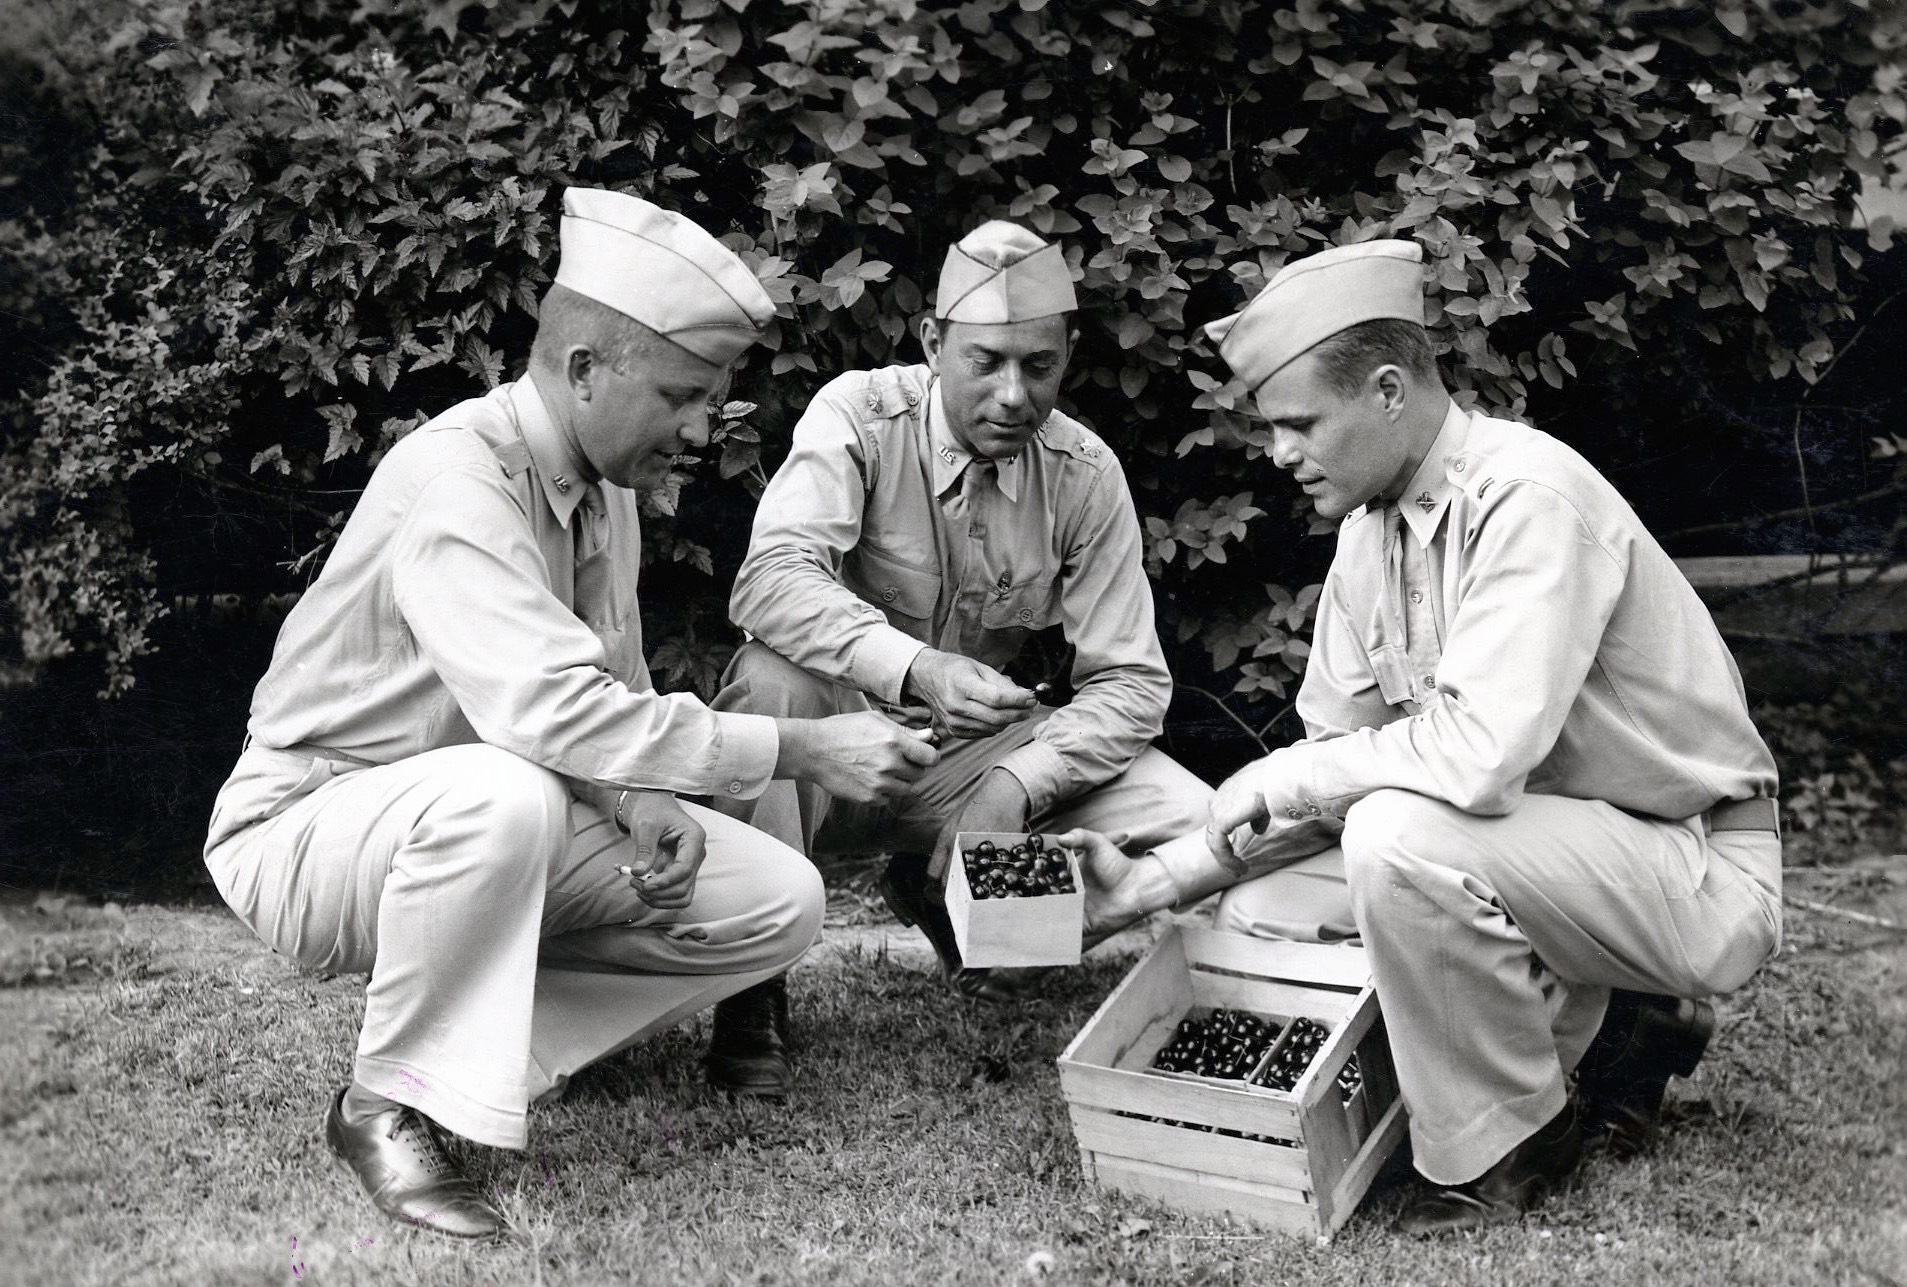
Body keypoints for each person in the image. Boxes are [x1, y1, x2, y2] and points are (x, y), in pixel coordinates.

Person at [201, 188, 937, 1239]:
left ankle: (482, 1055)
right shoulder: (460, 483)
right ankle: (386, 1102)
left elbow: (609, 692)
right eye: (682, 395)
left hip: (492, 815)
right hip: (311, 830)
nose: (700, 427)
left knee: (780, 901)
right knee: (501, 794)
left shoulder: (605, 487)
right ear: (583, 370)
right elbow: (547, 709)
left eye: (707, 399)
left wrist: (638, 798)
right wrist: (805, 745)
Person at [1075, 238, 1782, 1235]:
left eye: (1298, 425)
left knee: (1397, 841)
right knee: (1260, 916)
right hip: (1556, 856)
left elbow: (1474, 759)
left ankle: (1514, 1137)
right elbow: (1330, 787)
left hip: (1689, 860)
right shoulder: (1370, 536)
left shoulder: (1527, 498)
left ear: (1388, 390)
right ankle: (1612, 1017)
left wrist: (1293, 772)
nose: (1279, 454)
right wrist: (1147, 886)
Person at [703, 220, 1213, 1093]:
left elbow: (1130, 683)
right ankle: (751, 987)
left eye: (1039, 366)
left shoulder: (1085, 472)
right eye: (986, 363)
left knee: (1194, 814)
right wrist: (914, 667)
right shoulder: (859, 416)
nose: (1015, 395)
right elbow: (769, 582)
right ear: (935, 343)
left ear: (1067, 354)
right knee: (767, 680)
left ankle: (963, 902)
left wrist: (1016, 783)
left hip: (974, 759)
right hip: (837, 747)